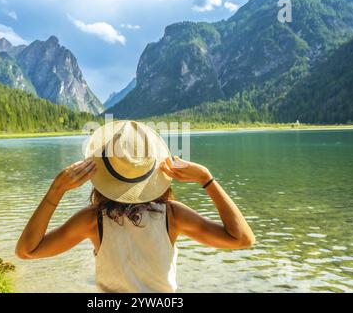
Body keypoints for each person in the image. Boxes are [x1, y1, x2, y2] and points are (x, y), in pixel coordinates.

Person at [16, 121, 255, 292]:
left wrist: (56, 191)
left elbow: (27, 250)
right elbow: (242, 239)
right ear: (151, 169)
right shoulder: (172, 215)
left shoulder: (93, 220)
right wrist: (206, 179)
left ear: (103, 170)